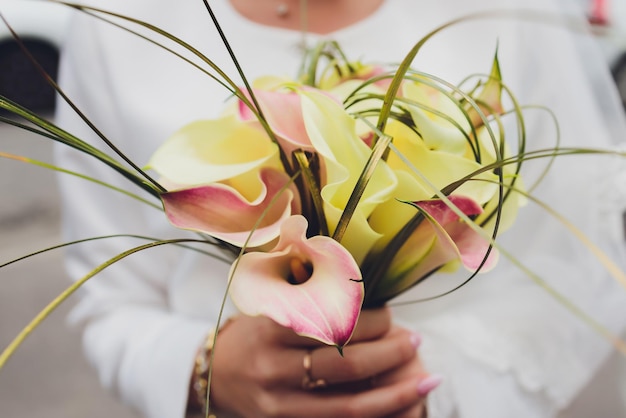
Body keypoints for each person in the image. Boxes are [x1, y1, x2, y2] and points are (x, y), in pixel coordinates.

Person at [53, 0, 626, 417]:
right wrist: (205, 371)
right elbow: (111, 302)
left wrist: (425, 394)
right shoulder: (114, 21)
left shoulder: (509, 10)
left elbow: (582, 273)